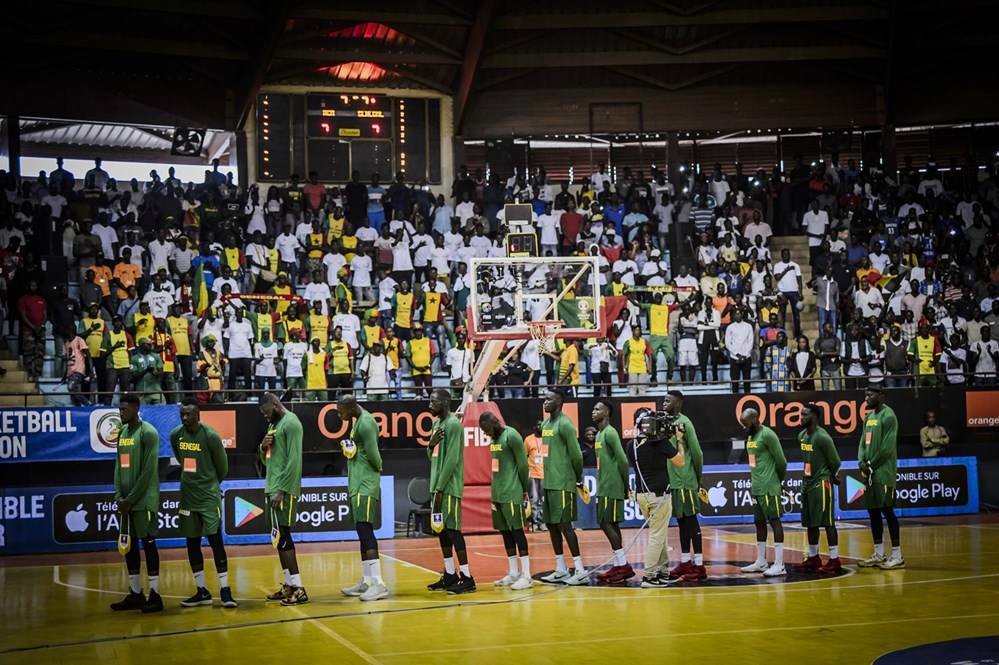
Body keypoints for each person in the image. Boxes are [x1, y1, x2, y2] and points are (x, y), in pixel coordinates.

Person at [171, 400, 237, 608]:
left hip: (208, 496)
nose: (184, 418)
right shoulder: (176, 435)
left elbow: (223, 467)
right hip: (188, 496)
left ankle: (225, 590)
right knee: (192, 542)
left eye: (188, 414)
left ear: (197, 415)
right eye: (182, 414)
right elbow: (180, 458)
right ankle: (202, 591)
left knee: (215, 541)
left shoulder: (210, 436)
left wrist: (208, 482)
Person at [109, 393, 163, 613]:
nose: (121, 413)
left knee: (149, 546)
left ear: (135, 409)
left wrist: (130, 500)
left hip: (143, 502)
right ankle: (135, 593)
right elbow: (118, 468)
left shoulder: (148, 432)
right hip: (126, 504)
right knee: (129, 547)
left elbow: (148, 472)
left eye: (124, 410)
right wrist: (119, 497)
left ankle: (156, 596)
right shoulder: (122, 433)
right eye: (119, 409)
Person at [337, 395, 388, 601]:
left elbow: (375, 457)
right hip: (358, 483)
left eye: (341, 411)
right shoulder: (359, 421)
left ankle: (379, 583)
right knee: (361, 530)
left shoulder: (366, 424)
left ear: (350, 407)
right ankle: (367, 581)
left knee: (366, 531)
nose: (340, 415)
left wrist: (374, 469)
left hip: (366, 483)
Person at [259, 393, 308, 605]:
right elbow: (268, 459)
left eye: (266, 412)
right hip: (272, 486)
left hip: (283, 490)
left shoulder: (291, 423)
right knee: (278, 539)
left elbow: (294, 461)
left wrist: (283, 490)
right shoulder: (273, 425)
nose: (265, 417)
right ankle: (288, 585)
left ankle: (299, 588)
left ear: (276, 405)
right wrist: (262, 446)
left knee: (285, 537)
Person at [426, 389, 475, 594]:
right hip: (436, 486)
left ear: (445, 403)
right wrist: (431, 444)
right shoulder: (438, 424)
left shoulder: (454, 425)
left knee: (454, 530)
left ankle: (467, 577)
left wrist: (439, 489)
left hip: (448, 487)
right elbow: (432, 456)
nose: (430, 405)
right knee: (442, 531)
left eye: (433, 401)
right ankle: (449, 574)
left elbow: (452, 460)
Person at [539, 389, 589, 586]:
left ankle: (580, 569)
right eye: (544, 398)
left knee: (565, 525)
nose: (545, 402)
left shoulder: (566, 424)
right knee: (551, 525)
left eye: (549, 399)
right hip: (549, 483)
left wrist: (577, 478)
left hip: (563, 483)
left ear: (559, 402)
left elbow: (577, 455)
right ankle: (561, 569)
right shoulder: (546, 424)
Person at [479, 412, 533, 590]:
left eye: (486, 429)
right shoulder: (494, 440)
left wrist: (524, 489)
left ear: (494, 424)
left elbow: (523, 465)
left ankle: (527, 575)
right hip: (497, 493)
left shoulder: (512, 435)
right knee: (505, 532)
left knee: (517, 531)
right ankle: (513, 572)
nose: (485, 433)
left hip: (512, 492)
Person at [857, 386, 904, 569]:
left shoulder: (888, 416)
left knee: (888, 511)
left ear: (881, 396)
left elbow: (887, 447)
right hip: (869, 473)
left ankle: (897, 555)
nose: (867, 397)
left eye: (870, 394)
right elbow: (862, 442)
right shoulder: (868, 417)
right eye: (865, 395)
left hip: (883, 472)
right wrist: (861, 461)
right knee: (873, 511)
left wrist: (871, 465)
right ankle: (878, 553)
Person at [662, 391, 705, 582]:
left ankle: (700, 564)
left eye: (667, 401)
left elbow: (697, 453)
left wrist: (698, 478)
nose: (663, 403)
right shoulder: (666, 423)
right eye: (663, 400)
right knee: (681, 522)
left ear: (678, 404)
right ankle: (686, 561)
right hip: (674, 482)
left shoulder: (685, 423)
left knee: (691, 520)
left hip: (686, 480)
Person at [739, 407, 788, 577]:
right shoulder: (751, 436)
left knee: (774, 522)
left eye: (745, 424)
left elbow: (781, 461)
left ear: (754, 420)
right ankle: (761, 561)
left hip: (769, 486)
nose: (743, 428)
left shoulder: (768, 434)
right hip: (757, 487)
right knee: (759, 523)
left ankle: (780, 564)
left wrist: (776, 481)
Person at [795, 403, 842, 575]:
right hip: (807, 483)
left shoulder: (823, 437)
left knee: (828, 522)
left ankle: (834, 559)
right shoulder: (802, 436)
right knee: (810, 523)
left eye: (804, 415)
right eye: (800, 415)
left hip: (821, 483)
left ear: (814, 417)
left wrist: (832, 475)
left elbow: (835, 461)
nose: (801, 418)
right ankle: (814, 558)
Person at [590, 400, 634, 584]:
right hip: (604, 485)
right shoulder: (599, 434)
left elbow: (623, 460)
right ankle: (618, 564)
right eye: (593, 408)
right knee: (611, 524)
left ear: (606, 413)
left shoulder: (610, 432)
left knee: (605, 522)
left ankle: (623, 565)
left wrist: (625, 485)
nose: (593, 411)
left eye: (597, 409)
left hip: (612, 485)